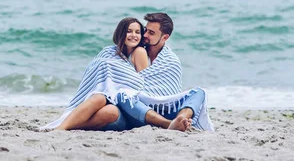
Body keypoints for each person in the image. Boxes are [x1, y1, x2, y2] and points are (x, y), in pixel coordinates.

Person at [43, 13, 213, 132]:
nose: (144, 35)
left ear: (165, 37)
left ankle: (180, 120)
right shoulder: (116, 53)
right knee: (113, 103)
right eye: (144, 30)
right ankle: (62, 128)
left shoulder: (170, 60)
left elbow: (160, 89)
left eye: (148, 32)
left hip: (147, 107)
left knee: (199, 92)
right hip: (125, 107)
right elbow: (104, 79)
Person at [47, 17, 147, 131]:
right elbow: (93, 75)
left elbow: (141, 84)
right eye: (129, 31)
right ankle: (61, 128)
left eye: (137, 32)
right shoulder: (108, 52)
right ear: (121, 32)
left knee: (111, 111)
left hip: (125, 110)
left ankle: (66, 126)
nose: (133, 35)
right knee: (99, 97)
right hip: (105, 101)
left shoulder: (139, 52)